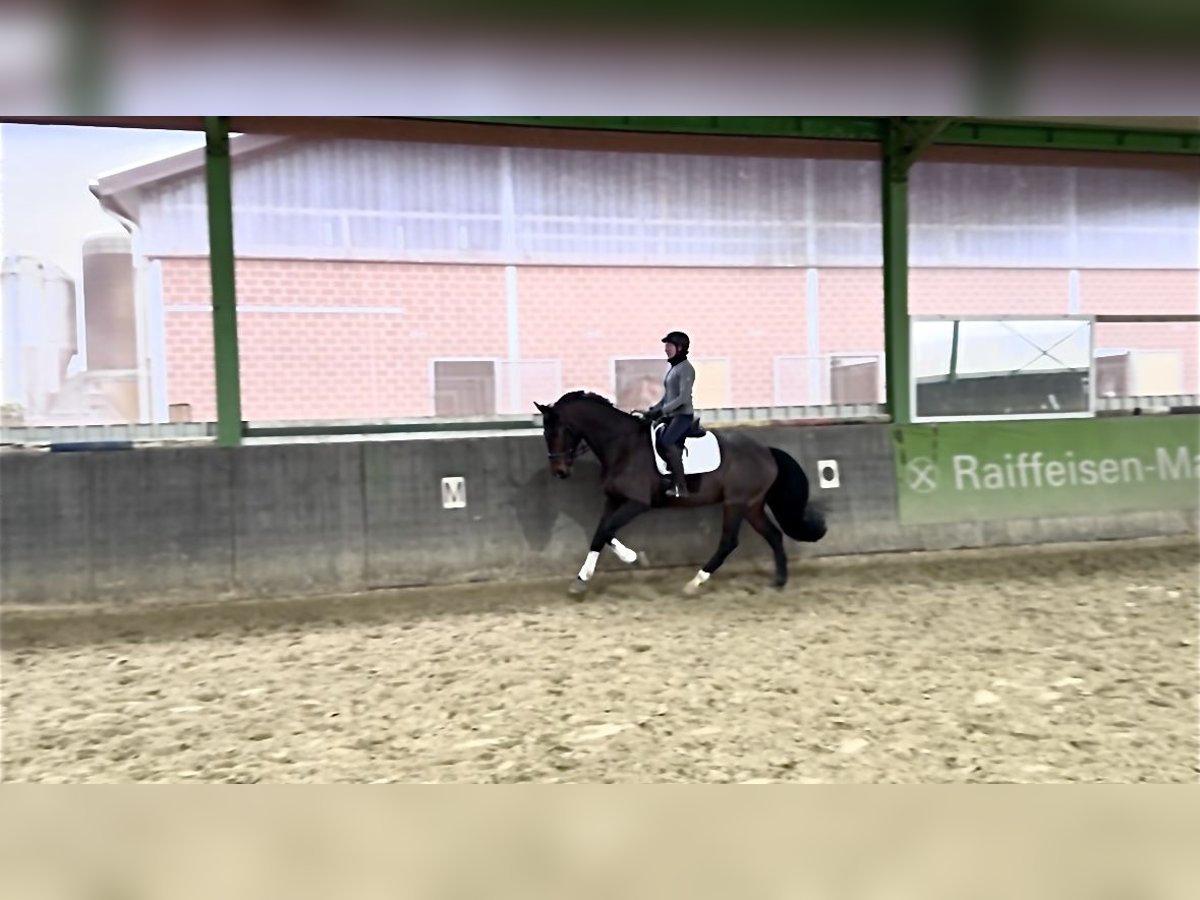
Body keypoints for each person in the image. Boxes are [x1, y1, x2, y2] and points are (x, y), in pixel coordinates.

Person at [638, 330, 697, 498]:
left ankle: (681, 487)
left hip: (683, 416)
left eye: (669, 345)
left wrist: (662, 411)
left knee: (668, 441)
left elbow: (683, 398)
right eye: (666, 345)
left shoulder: (686, 369)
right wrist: (653, 410)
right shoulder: (674, 369)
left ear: (679, 347)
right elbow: (667, 397)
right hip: (672, 415)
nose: (666, 349)